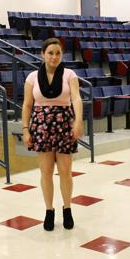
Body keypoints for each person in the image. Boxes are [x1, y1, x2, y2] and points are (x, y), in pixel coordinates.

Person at [21, 38, 83, 231]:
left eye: (58, 53)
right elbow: (27, 104)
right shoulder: (31, 77)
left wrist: (78, 121)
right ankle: (49, 210)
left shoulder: (69, 74)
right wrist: (25, 129)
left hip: (64, 122)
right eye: (50, 53)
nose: (54, 57)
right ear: (42, 54)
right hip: (41, 125)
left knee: (65, 171)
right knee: (46, 171)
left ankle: (67, 209)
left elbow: (76, 98)